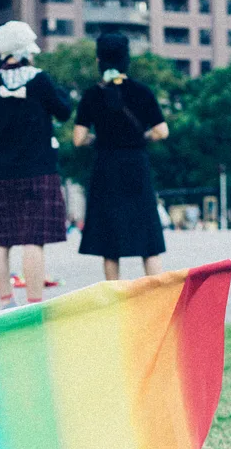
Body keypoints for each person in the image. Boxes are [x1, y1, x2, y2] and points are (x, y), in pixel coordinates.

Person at [0, 21, 73, 306]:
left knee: (1, 239)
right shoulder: (40, 79)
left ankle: (6, 301)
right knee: (34, 239)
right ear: (25, 51)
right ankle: (33, 303)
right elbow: (63, 111)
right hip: (38, 168)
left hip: (3, 171)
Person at [72, 32, 169, 280]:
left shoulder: (92, 95)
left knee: (110, 243)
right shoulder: (142, 92)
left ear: (99, 60)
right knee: (149, 241)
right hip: (136, 165)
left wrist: (99, 139)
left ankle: (116, 300)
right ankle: (156, 299)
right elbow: (162, 131)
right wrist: (142, 138)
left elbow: (78, 138)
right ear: (127, 59)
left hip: (106, 167)